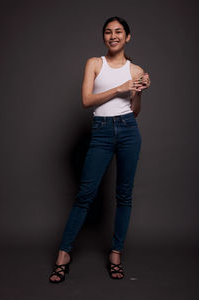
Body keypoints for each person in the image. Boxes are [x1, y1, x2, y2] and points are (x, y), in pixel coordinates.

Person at [49, 16, 151, 283]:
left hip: (129, 130)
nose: (113, 36)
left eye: (119, 32)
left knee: (124, 195)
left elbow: (135, 111)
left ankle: (115, 253)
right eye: (108, 32)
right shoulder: (94, 63)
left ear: (128, 37)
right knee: (85, 194)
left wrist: (138, 90)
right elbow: (86, 100)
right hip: (101, 131)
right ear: (104, 37)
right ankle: (64, 254)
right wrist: (121, 87)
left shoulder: (136, 69)